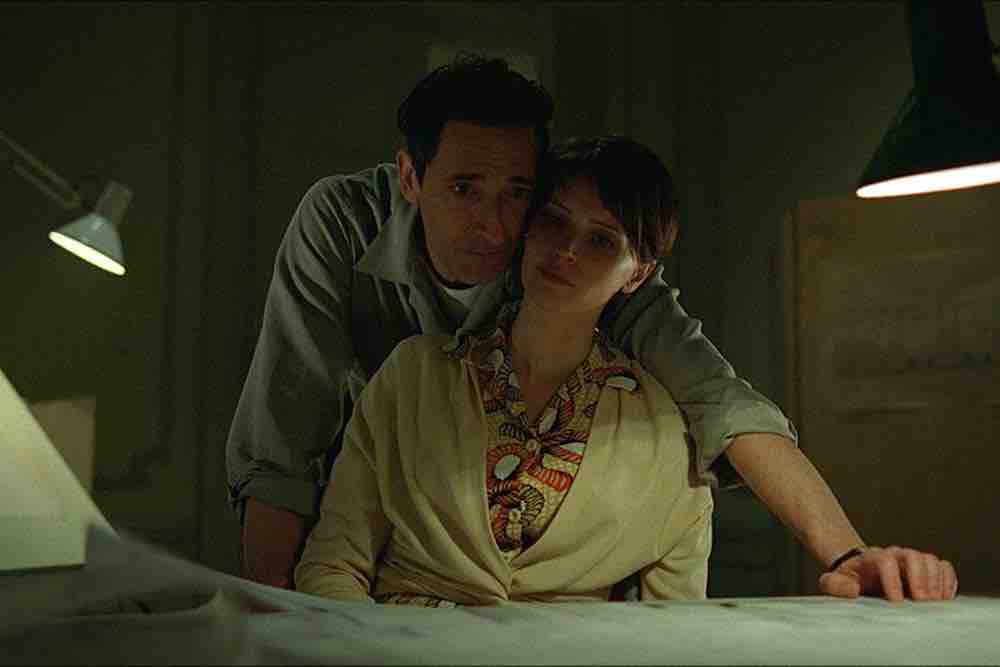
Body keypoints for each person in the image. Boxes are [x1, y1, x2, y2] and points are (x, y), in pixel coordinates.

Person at [227, 54, 957, 601]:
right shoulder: (343, 224)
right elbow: (286, 431)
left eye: (517, 193)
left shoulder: (571, 254)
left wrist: (845, 555)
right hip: (374, 555)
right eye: (463, 189)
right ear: (411, 179)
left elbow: (723, 401)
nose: (493, 225)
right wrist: (279, 618)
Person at [294, 135, 713, 604]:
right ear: (527, 229)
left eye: (600, 240)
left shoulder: (665, 435)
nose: (567, 250)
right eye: (554, 221)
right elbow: (332, 563)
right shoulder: (414, 375)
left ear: (637, 273)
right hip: (401, 636)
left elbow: (675, 626)